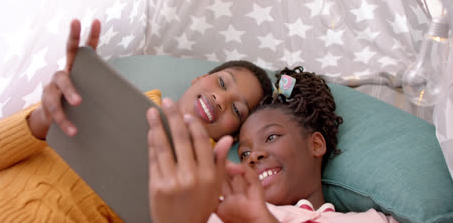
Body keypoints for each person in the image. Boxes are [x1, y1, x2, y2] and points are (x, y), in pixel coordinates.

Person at [0, 19, 272, 222]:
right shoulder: (92, 95)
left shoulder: (202, 187)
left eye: (237, 110)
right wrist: (38, 123)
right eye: (222, 83)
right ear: (200, 79)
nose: (221, 100)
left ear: (233, 136)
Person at [147, 66, 399, 223]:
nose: (253, 156)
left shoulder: (371, 220)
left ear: (316, 144)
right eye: (243, 153)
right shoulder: (226, 210)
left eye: (271, 137)